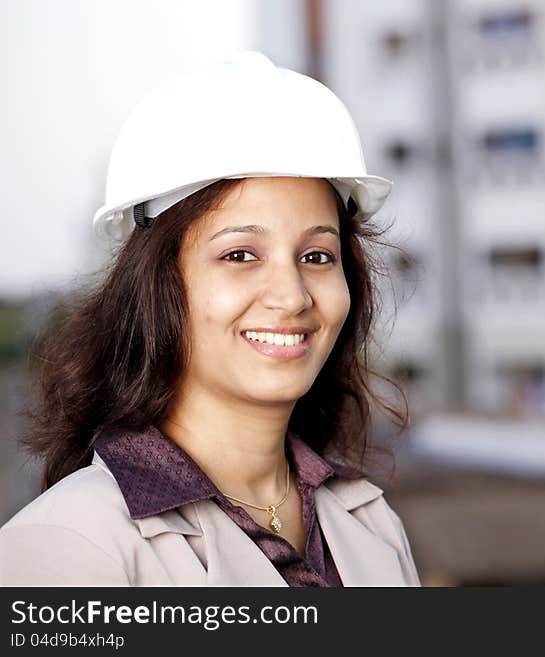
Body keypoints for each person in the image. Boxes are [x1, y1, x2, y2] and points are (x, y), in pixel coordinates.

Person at [0, 52, 421, 586]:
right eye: (240, 255)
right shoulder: (69, 547)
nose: (291, 296)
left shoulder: (374, 526)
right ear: (157, 284)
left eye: (317, 256)